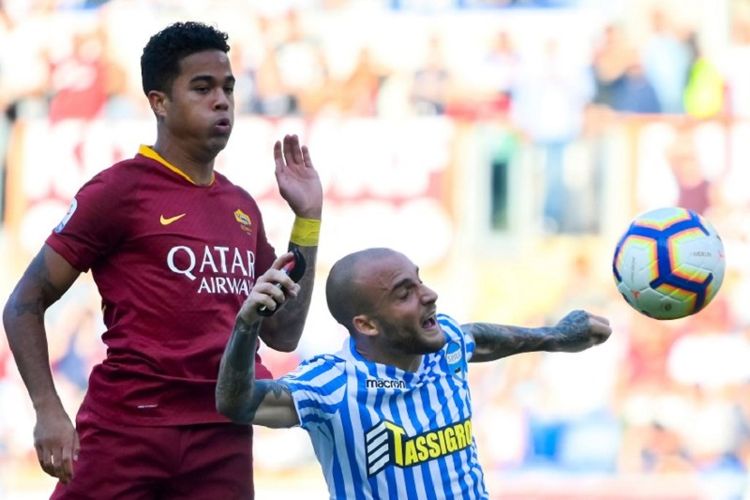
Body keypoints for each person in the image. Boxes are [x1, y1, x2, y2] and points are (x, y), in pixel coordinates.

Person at [2, 21, 322, 499]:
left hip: (223, 432)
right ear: (159, 101)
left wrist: (308, 221)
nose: (222, 100)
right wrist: (48, 409)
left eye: (229, 88)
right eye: (203, 87)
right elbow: (24, 302)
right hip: (128, 430)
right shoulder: (119, 191)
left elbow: (283, 333)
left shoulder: (241, 207)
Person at [216, 247, 612, 499]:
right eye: (404, 293)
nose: (429, 294)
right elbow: (238, 404)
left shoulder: (446, 346)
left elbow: (480, 339)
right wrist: (247, 325)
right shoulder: (332, 386)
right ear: (366, 325)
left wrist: (557, 337)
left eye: (420, 280)